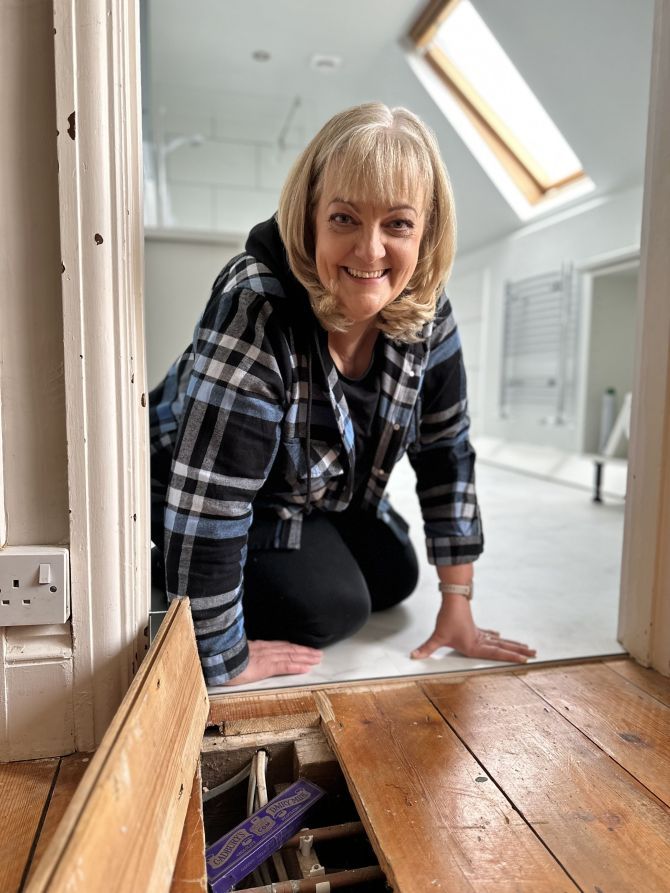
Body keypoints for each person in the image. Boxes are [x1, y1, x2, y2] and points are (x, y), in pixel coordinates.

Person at [149, 102, 536, 687]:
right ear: (309, 218)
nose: (371, 250)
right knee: (334, 607)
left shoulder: (428, 311)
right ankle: (163, 563)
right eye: (345, 219)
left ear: (426, 231)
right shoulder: (256, 304)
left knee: (394, 577)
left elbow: (445, 452)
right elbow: (211, 500)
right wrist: (217, 654)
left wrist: (458, 603)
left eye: (398, 224)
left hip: (312, 492)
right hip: (187, 488)